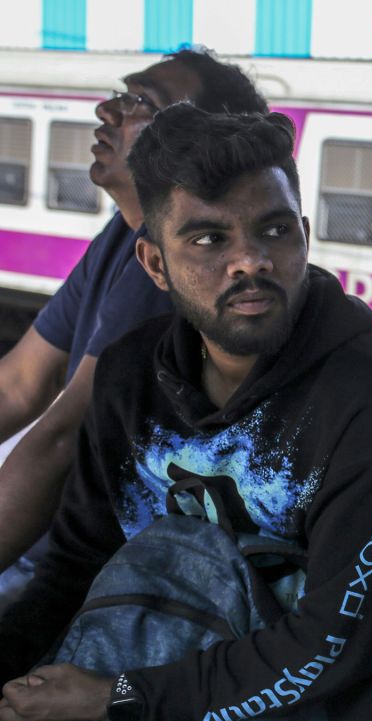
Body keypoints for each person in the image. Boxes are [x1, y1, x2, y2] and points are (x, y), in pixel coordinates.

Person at [0, 105, 372, 721]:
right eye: (208, 239)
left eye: (275, 230)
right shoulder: (129, 376)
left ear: (305, 236)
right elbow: (74, 569)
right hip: (128, 698)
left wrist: (117, 701)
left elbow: (332, 646)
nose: (250, 262)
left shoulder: (370, 397)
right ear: (153, 262)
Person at [0, 49, 268, 610]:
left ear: (192, 138)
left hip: (89, 577)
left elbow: (59, 439)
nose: (107, 112)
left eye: (139, 103)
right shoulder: (124, 236)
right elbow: (19, 384)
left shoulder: (172, 271)